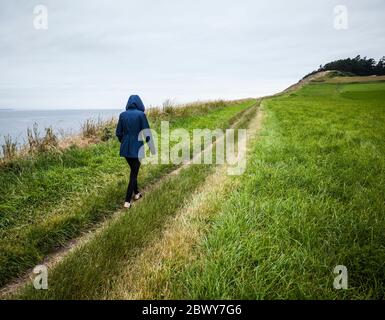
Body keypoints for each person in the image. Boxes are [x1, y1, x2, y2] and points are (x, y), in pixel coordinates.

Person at [116, 95, 154, 209]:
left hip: (125, 147)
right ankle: (127, 201)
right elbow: (147, 133)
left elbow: (118, 133)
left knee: (133, 169)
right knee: (134, 173)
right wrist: (151, 147)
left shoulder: (122, 115)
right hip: (137, 147)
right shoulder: (141, 115)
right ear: (139, 103)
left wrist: (124, 142)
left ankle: (136, 193)